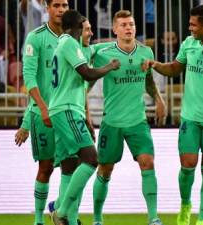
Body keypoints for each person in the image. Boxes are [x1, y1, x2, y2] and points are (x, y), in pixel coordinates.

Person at [143, 5, 203, 225]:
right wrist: (156, 65)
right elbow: (175, 68)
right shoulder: (189, 43)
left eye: (193, 24)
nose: (189, 28)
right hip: (189, 117)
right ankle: (185, 205)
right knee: (187, 165)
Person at [91, 10, 166, 225]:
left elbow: (148, 80)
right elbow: (86, 74)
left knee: (148, 163)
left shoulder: (146, 52)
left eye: (131, 24)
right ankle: (97, 219)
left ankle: (153, 218)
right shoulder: (103, 53)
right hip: (112, 121)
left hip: (137, 121)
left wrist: (159, 100)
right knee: (105, 170)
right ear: (114, 29)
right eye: (123, 24)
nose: (128, 28)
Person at [49, 9, 120, 225]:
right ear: (78, 26)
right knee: (91, 159)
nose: (89, 33)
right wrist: (110, 66)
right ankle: (60, 210)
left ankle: (69, 220)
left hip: (64, 109)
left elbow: (96, 49)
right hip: (67, 109)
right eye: (86, 28)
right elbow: (87, 73)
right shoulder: (70, 43)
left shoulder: (68, 45)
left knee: (70, 166)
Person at [17, 1, 69, 224]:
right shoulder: (36, 38)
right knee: (46, 167)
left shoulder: (73, 38)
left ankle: (60, 210)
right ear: (47, 8)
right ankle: (38, 219)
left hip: (67, 115)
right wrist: (37, 113)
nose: (61, 9)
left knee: (75, 165)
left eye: (65, 5)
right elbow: (29, 78)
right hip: (43, 115)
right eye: (56, 5)